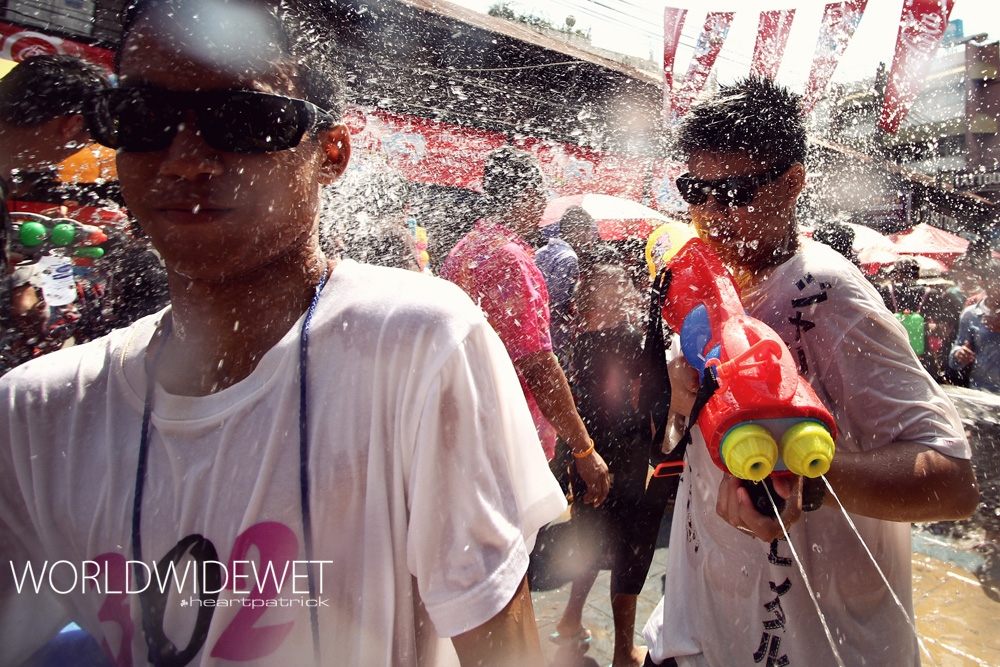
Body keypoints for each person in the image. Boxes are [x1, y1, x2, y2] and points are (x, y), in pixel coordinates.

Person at [0, 1, 568, 665]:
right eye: (142, 118)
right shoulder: (36, 415)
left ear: (332, 155)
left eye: (242, 121)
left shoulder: (418, 347)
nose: (184, 159)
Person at [642, 75, 978, 667]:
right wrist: (678, 403)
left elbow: (952, 482)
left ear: (794, 181)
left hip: (821, 646)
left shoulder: (828, 298)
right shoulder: (704, 289)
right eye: (697, 190)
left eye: (738, 191)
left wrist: (807, 479)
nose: (714, 215)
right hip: (699, 633)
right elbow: (684, 456)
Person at [440, 146, 610, 505]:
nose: (542, 207)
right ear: (527, 196)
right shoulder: (511, 259)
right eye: (541, 195)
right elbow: (538, 365)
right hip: (512, 436)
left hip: (467, 427)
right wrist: (584, 450)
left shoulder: (463, 250)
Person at [552, 262, 650, 666]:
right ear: (599, 300)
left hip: (590, 455)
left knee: (591, 543)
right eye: (620, 286)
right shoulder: (627, 338)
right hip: (624, 458)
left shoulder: (582, 339)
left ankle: (570, 620)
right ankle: (624, 651)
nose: (629, 290)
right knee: (630, 552)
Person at [876, 257, 962, 383]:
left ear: (898, 273)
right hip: (922, 359)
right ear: (918, 274)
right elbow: (943, 330)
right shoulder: (932, 294)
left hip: (892, 355)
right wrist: (924, 327)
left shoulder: (885, 292)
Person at [534, 205, 598, 365]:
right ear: (577, 230)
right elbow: (558, 304)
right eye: (587, 231)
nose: (589, 238)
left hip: (536, 329)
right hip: (555, 334)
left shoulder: (542, 251)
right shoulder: (569, 258)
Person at [949, 258, 1000, 394]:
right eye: (997, 281)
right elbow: (956, 353)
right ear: (983, 282)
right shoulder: (971, 314)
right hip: (982, 391)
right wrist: (959, 355)